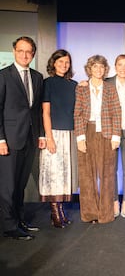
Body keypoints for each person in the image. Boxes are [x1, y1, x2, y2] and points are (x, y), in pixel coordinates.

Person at [0, 36, 46, 240]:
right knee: (8, 186)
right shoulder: (3, 76)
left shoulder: (37, 77)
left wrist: (41, 134)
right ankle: (9, 226)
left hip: (29, 138)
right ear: (14, 51)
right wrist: (0, 139)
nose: (25, 55)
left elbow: (36, 111)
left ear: (33, 53)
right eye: (21, 51)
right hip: (9, 139)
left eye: (28, 51)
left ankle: (19, 220)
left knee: (20, 184)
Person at [74, 55, 121, 224]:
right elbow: (78, 114)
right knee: (87, 175)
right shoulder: (81, 88)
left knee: (107, 174)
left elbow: (117, 113)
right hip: (87, 131)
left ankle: (106, 214)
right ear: (89, 69)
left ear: (105, 69)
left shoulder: (110, 88)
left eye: (101, 67)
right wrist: (80, 137)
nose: (98, 70)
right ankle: (89, 213)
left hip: (107, 134)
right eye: (95, 67)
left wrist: (116, 136)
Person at [39, 49, 77, 228]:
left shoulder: (73, 84)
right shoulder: (47, 83)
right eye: (60, 61)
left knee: (64, 174)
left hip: (70, 133)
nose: (64, 65)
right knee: (53, 173)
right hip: (54, 133)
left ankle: (61, 210)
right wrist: (49, 137)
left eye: (67, 62)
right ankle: (55, 212)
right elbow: (45, 112)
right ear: (53, 63)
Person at [106, 55, 125, 218]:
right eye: (120, 65)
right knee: (111, 169)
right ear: (115, 66)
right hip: (110, 132)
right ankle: (113, 201)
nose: (123, 68)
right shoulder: (107, 83)